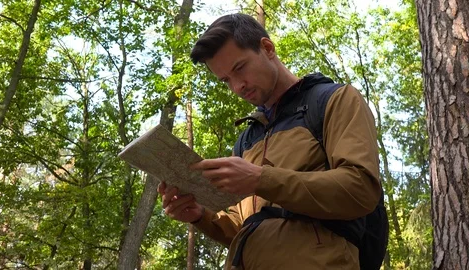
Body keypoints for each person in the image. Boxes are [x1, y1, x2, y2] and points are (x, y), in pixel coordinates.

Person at [157, 13, 381, 269]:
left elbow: (361, 189)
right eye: (226, 80)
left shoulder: (334, 100)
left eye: (239, 68)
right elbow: (243, 227)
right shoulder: (247, 139)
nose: (237, 86)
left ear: (267, 48)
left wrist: (260, 179)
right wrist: (200, 216)